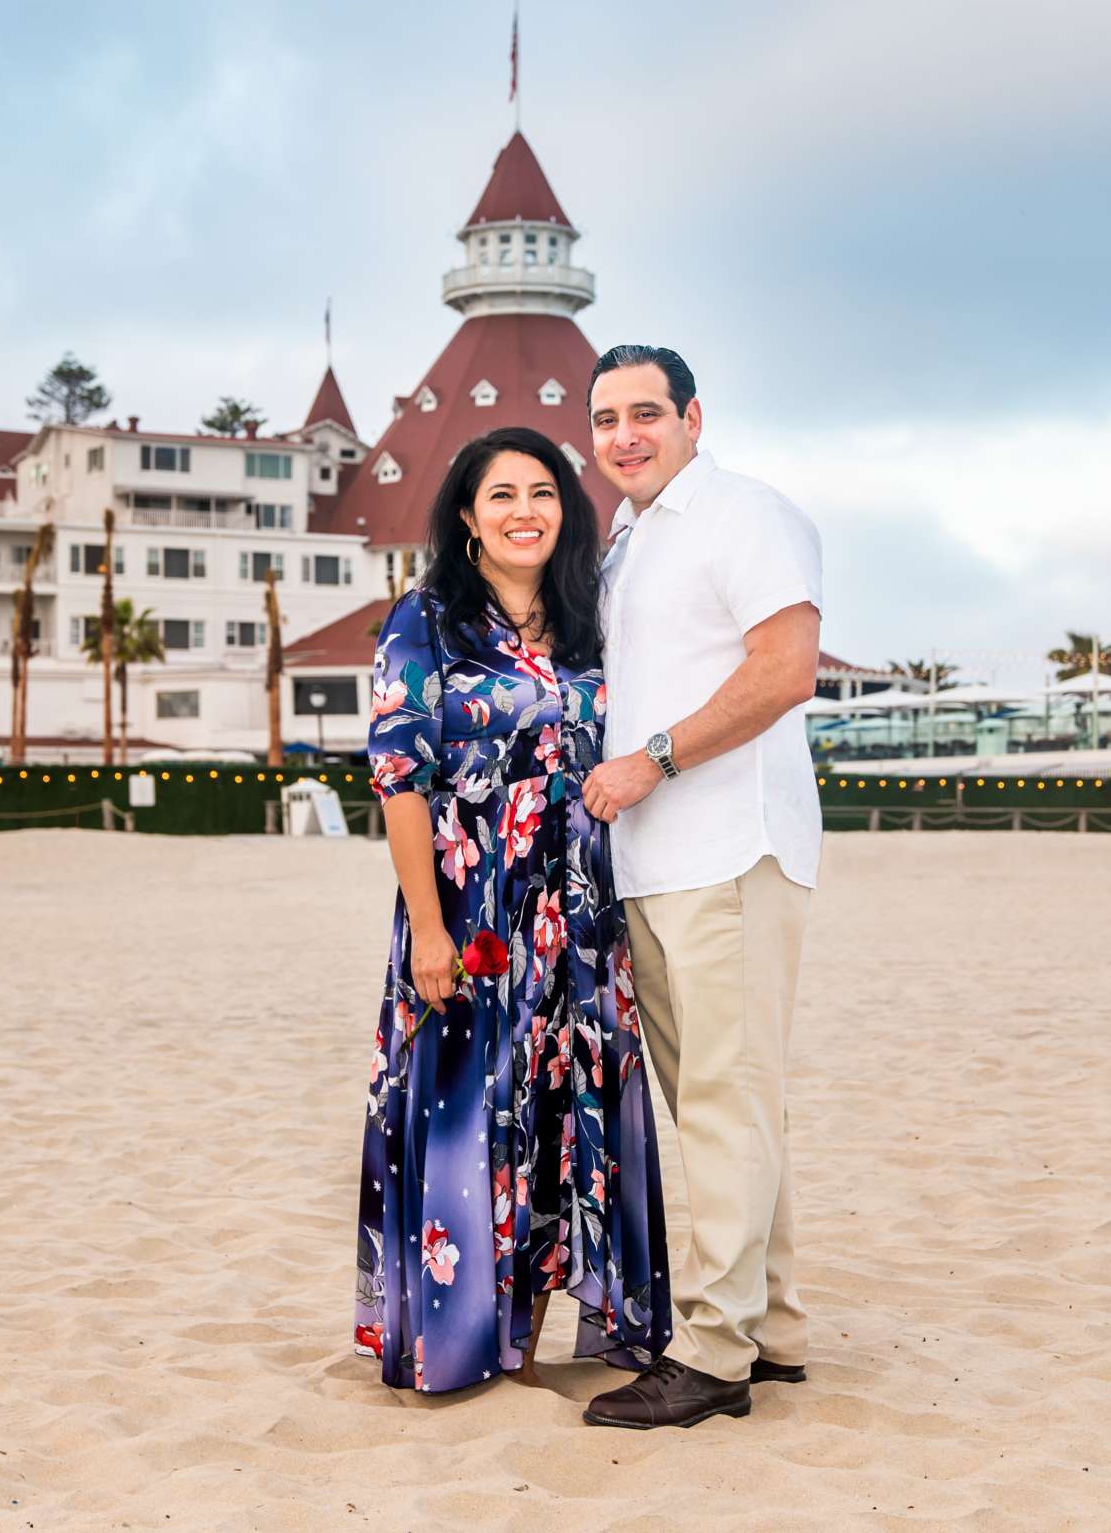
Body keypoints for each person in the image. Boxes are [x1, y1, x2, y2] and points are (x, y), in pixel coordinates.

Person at [353, 426, 672, 1395]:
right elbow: (399, 777)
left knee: (561, 1119)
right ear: (467, 518)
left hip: (577, 923)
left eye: (542, 491)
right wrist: (432, 927)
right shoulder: (426, 622)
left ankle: (537, 1331)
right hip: (471, 915)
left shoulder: (591, 624)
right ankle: (458, 1341)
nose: (525, 510)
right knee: (467, 1116)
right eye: (502, 495)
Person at [577, 345, 825, 1430]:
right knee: (724, 1105)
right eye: (605, 419)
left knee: (725, 1102)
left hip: (728, 850)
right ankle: (770, 1326)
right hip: (656, 864)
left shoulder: (746, 515)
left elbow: (785, 670)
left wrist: (655, 760)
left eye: (646, 413)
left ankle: (715, 1352)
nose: (625, 435)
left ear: (692, 416)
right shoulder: (628, 541)